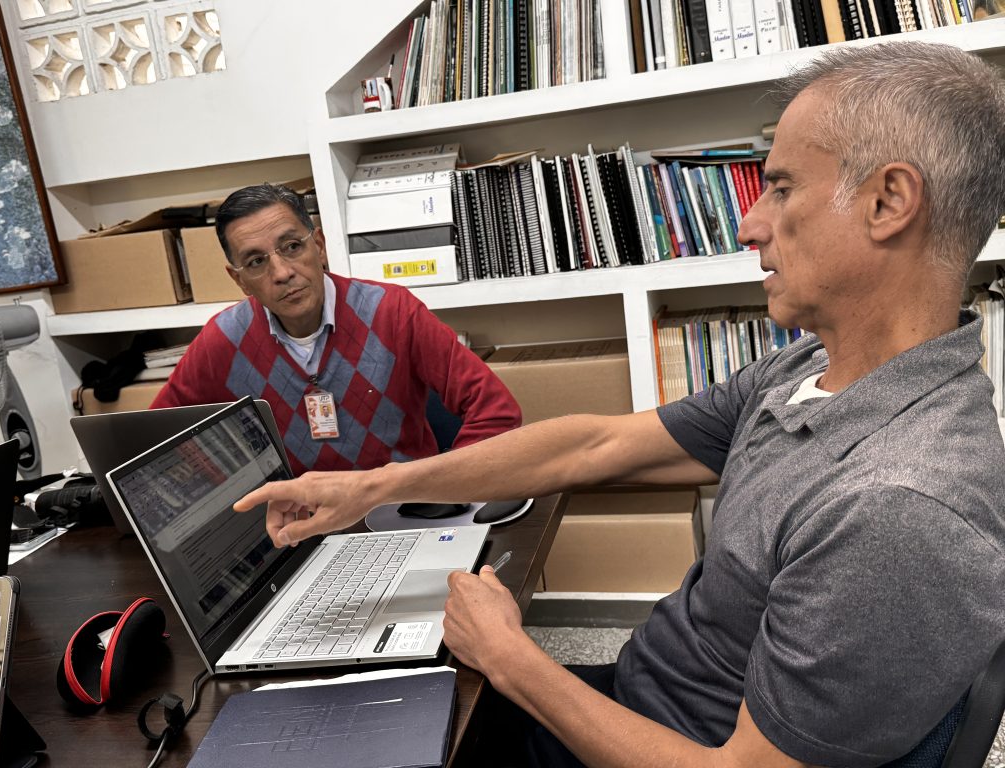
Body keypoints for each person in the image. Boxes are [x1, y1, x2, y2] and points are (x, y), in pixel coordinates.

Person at [234, 42, 1005, 766]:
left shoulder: (898, 505)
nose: (749, 225)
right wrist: (371, 487)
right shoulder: (810, 367)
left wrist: (509, 657)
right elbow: (593, 445)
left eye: (781, 187)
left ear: (888, 201)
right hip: (641, 696)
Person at [151, 183, 521, 474]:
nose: (282, 273)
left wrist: (440, 486)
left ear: (319, 246)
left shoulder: (392, 312)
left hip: (404, 513)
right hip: (301, 529)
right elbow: (154, 444)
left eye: (292, 247)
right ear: (240, 280)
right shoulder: (224, 339)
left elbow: (497, 411)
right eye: (256, 262)